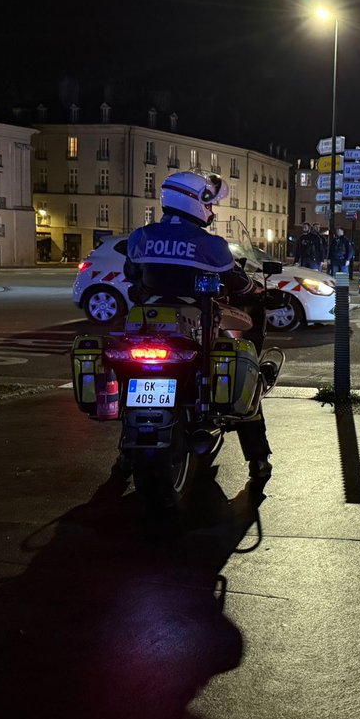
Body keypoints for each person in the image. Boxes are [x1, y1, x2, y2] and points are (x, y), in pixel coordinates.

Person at [121, 171, 275, 489]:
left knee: (129, 378)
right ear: (195, 202)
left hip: (146, 325)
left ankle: (125, 452)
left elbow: (132, 273)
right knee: (243, 369)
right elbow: (238, 282)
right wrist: (257, 291)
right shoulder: (210, 244)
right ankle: (257, 459)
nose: (212, 210)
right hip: (193, 326)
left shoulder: (141, 236)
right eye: (209, 202)